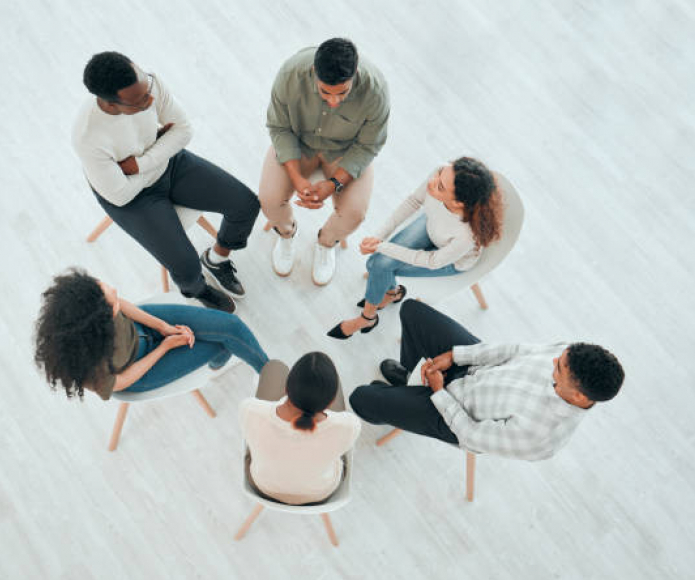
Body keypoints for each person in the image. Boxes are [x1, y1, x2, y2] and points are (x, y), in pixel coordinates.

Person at [72, 51, 261, 314]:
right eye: (139, 102)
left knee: (246, 204)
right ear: (112, 105)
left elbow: (184, 130)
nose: (150, 100)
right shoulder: (88, 137)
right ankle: (197, 289)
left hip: (166, 165)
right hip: (133, 199)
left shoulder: (148, 83)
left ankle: (217, 259)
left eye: (147, 90)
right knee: (185, 266)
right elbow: (120, 195)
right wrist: (160, 147)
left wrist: (139, 164)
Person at [350, 299, 625, 461]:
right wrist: (456, 356)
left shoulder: (540, 438)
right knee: (411, 311)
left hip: (454, 417)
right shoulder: (571, 355)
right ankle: (407, 380)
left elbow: (470, 434)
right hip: (474, 370)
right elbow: (514, 351)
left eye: (560, 368)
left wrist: (439, 393)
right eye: (560, 357)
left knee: (361, 399)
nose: (553, 361)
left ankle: (393, 406)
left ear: (578, 396)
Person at [259, 38, 390, 286]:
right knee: (269, 200)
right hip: (299, 144)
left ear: (356, 73)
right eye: (325, 92)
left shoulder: (376, 91)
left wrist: (333, 184)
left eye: (342, 92)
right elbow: (279, 127)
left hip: (346, 151)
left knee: (355, 214)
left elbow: (369, 145)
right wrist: (297, 178)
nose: (333, 101)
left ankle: (326, 242)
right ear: (313, 73)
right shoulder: (290, 74)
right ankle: (287, 233)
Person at [328, 157, 503, 339]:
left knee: (377, 264)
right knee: (377, 264)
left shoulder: (466, 235)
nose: (431, 182)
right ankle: (391, 294)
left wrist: (382, 247)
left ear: (459, 203)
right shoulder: (440, 172)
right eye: (439, 175)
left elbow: (433, 261)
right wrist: (378, 237)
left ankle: (367, 317)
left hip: (449, 261)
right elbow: (413, 202)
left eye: (440, 187)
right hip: (431, 226)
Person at [33, 269, 268, 401]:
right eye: (110, 303)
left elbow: (121, 304)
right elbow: (122, 382)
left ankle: (269, 377)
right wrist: (164, 347)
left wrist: (161, 326)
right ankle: (215, 365)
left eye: (103, 286)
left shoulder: (88, 303)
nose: (113, 290)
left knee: (231, 328)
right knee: (223, 344)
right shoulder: (88, 367)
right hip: (140, 370)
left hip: (143, 325)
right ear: (100, 324)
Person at [239, 353, 361, 505]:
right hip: (319, 494)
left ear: (286, 389)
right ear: (331, 402)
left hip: (264, 487)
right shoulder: (349, 425)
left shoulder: (250, 409)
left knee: (274, 367)